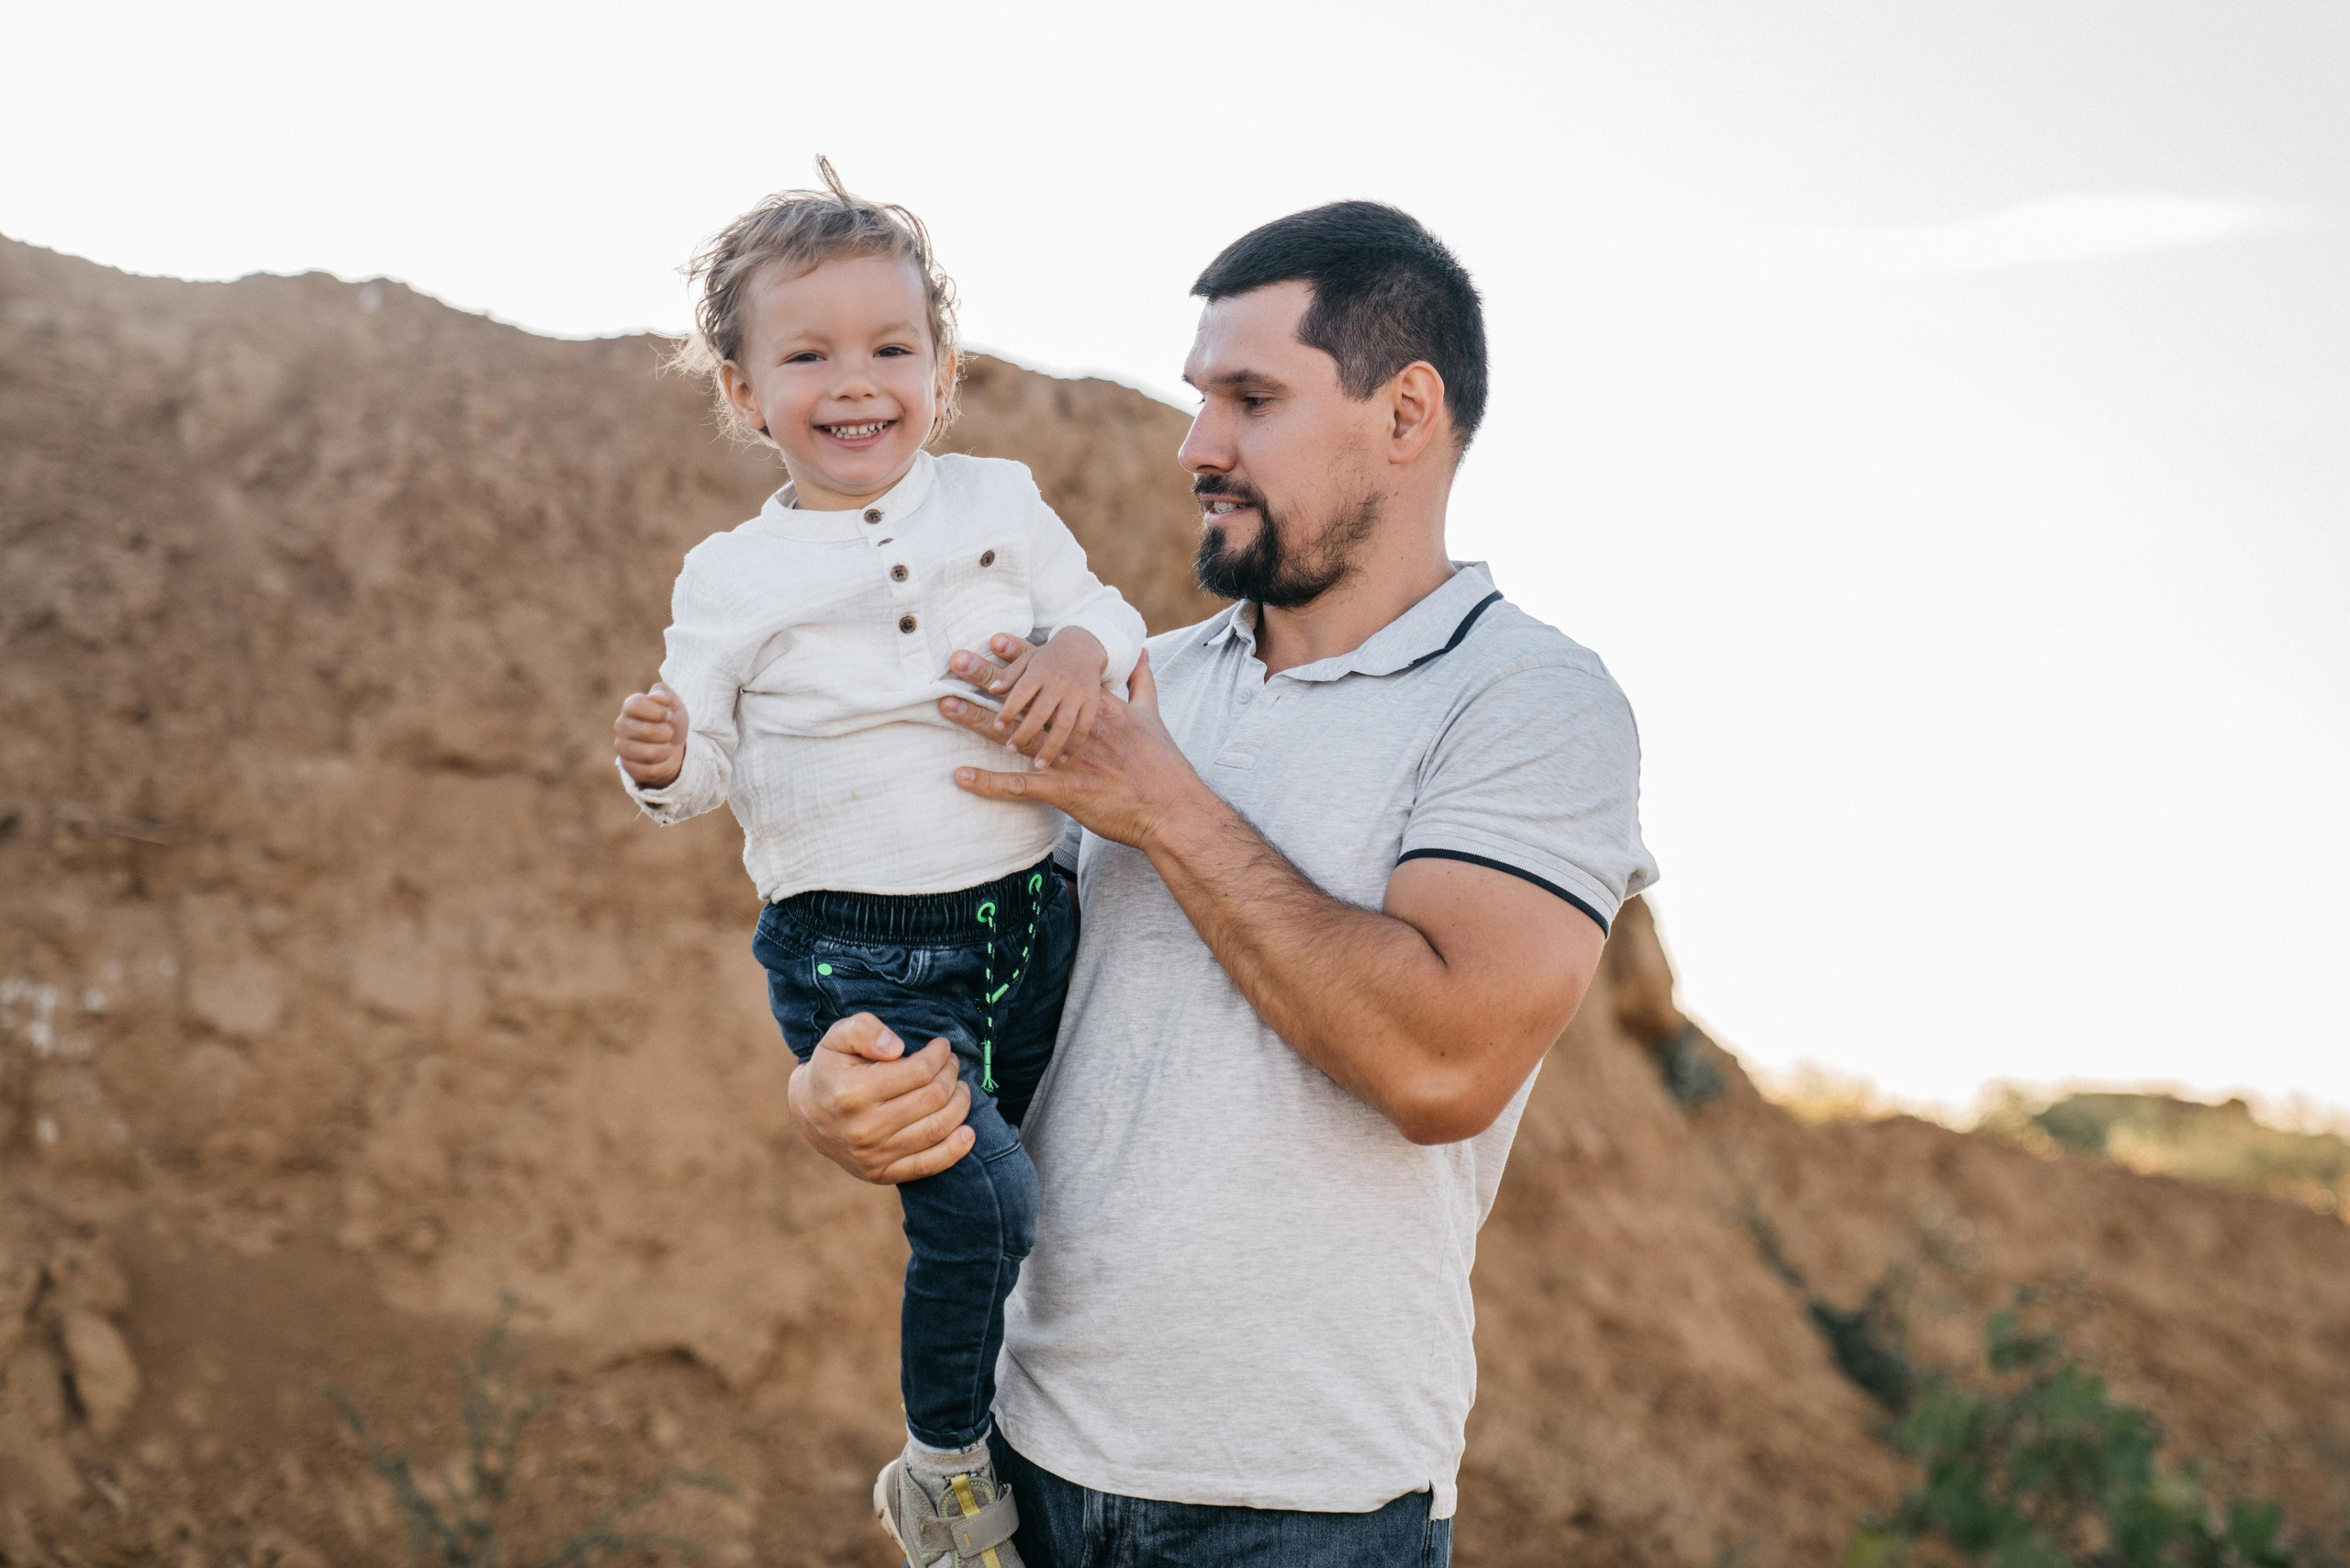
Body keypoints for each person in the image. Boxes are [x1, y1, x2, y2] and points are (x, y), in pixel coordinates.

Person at [787, 200, 1661, 1567]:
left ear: (1407, 410)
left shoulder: (1532, 703)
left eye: (1251, 399)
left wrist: (1167, 807)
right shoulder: (1145, 686)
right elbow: (991, 994)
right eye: (1203, 399)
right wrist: (850, 1084)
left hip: (1301, 1512)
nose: (1199, 446)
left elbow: (1442, 1067)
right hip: (1026, 1471)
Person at [609, 160, 1145, 1568]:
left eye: (891, 348)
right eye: (809, 355)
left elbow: (1103, 608)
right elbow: (710, 771)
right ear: (743, 393)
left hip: (1038, 913)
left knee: (1064, 1201)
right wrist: (665, 763)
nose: (859, 383)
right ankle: (947, 1469)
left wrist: (1080, 653)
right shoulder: (731, 578)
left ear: (941, 368)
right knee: (987, 1200)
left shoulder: (1000, 496)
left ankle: (1065, 1447)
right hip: (860, 943)